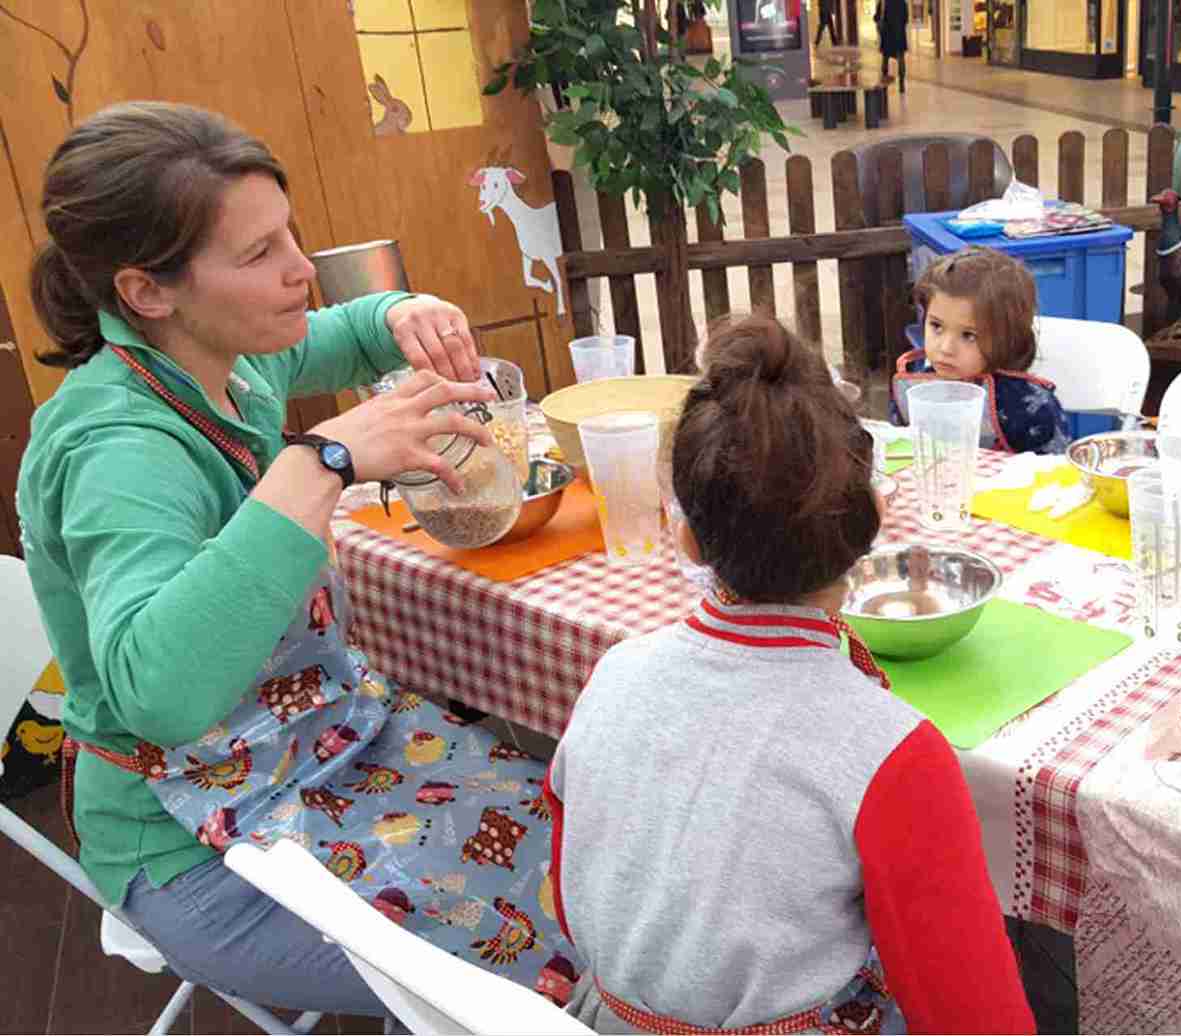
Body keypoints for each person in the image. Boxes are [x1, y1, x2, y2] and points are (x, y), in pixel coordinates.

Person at [18, 102, 566, 1018]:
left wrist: (406, 313)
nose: (300, 271)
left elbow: (345, 331)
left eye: (290, 235)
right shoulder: (118, 450)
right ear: (148, 291)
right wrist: (323, 459)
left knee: (601, 857)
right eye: (258, 255)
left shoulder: (223, 351)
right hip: (196, 843)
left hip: (326, 750)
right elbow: (162, 692)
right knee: (547, 948)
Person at [543, 315, 1035, 1034]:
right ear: (870, 522)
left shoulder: (615, 671)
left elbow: (571, 885)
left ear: (686, 537)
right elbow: (973, 1017)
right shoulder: (893, 753)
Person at [890, 246, 1070, 456]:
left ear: (1008, 338)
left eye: (969, 335)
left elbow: (1058, 474)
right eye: (936, 326)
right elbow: (900, 452)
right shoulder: (912, 382)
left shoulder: (1029, 405)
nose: (945, 348)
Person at [876, 0, 908, 92]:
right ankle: (902, 85)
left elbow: (877, 17)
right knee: (901, 59)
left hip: (887, 35)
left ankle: (884, 83)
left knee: (885, 59)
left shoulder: (883, 2)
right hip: (899, 35)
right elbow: (905, 19)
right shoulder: (902, 3)